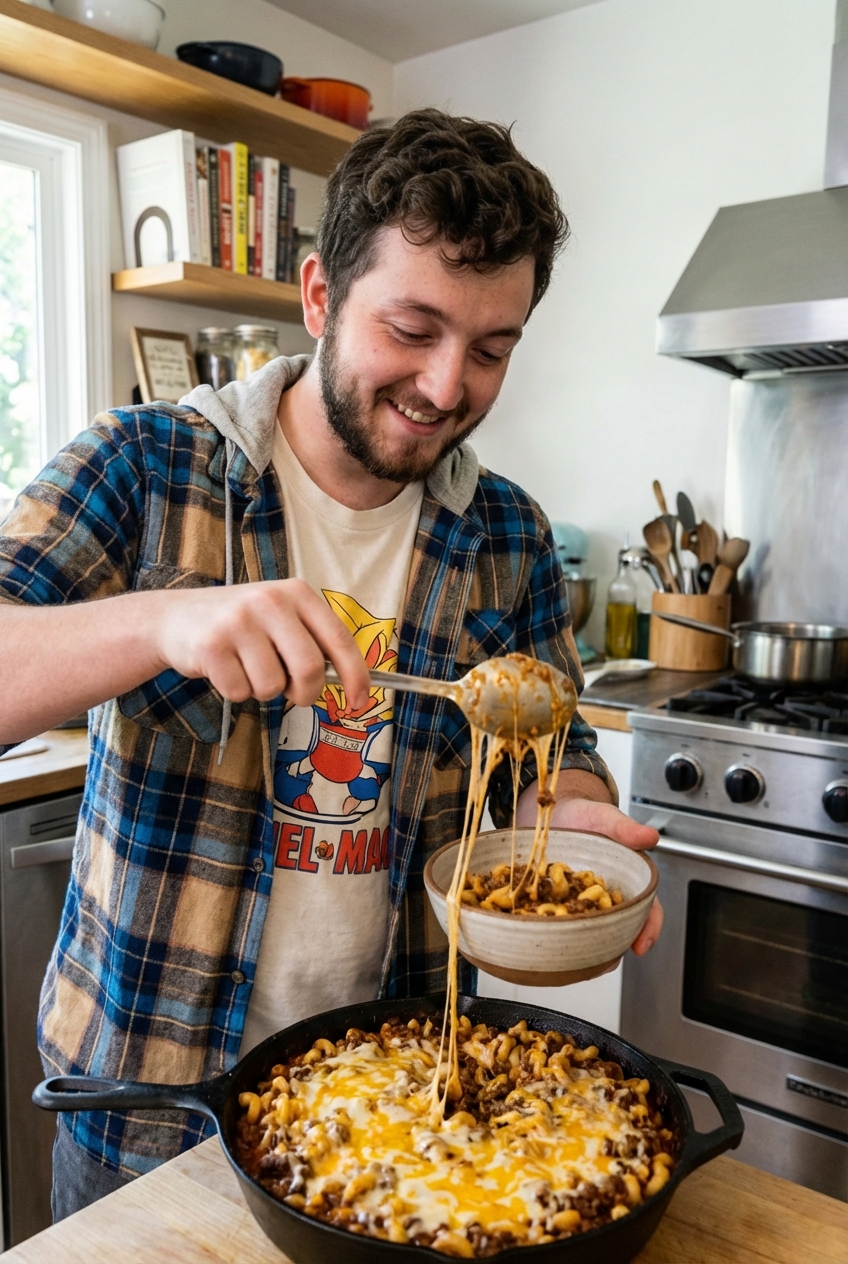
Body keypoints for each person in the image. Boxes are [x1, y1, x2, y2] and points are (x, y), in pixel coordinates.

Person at [0, 109, 661, 1216]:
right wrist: (162, 624)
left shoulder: (505, 537)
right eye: (412, 328)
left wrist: (575, 805)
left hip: (397, 1096)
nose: (448, 386)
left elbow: (560, 754)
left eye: (491, 348)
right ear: (317, 297)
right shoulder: (148, 468)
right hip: (149, 1104)